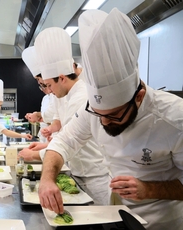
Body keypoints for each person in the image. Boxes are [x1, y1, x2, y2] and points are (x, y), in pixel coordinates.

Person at [38, 8, 183, 230]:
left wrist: (149, 189)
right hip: (115, 215)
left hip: (160, 223)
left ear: (139, 97)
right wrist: (47, 180)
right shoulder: (93, 110)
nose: (104, 124)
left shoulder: (174, 117)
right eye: (99, 115)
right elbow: (63, 142)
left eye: (113, 115)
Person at [19, 28, 110, 205]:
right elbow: (64, 136)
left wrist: (34, 154)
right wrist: (44, 146)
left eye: (48, 85)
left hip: (95, 176)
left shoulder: (82, 97)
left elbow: (69, 141)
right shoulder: (64, 95)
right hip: (78, 170)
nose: (48, 91)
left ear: (61, 78)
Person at [22, 46, 54, 143]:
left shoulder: (62, 94)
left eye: (38, 80)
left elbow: (54, 116)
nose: (40, 85)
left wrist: (38, 115)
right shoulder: (46, 98)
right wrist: (37, 117)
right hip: (48, 138)